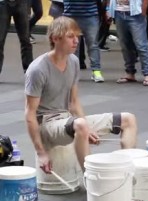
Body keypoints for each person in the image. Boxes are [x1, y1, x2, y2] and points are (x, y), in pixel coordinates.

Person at [24, 16, 137, 174]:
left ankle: (128, 175)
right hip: (47, 124)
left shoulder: (74, 61)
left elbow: (74, 102)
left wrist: (88, 128)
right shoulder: (37, 69)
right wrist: (41, 152)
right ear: (55, 38)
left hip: (68, 119)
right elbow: (30, 115)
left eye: (77, 36)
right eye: (71, 36)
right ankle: (92, 180)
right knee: (81, 124)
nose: (76, 41)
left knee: (127, 119)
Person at [108, 0, 148, 86]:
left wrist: (143, 9)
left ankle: (147, 74)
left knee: (141, 45)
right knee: (125, 45)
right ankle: (130, 73)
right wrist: (108, 10)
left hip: (135, 13)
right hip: (119, 12)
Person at [63, 0, 104, 82]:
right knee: (73, 46)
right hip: (70, 15)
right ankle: (73, 72)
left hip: (90, 15)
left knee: (93, 44)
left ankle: (96, 71)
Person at [49, 0, 87, 69]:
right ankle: (57, 62)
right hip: (59, 5)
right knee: (60, 34)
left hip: (77, 7)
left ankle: (79, 61)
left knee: (75, 33)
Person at [0, 0, 33, 74]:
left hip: (21, 2)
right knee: (0, 40)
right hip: (3, 3)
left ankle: (30, 71)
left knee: (25, 39)